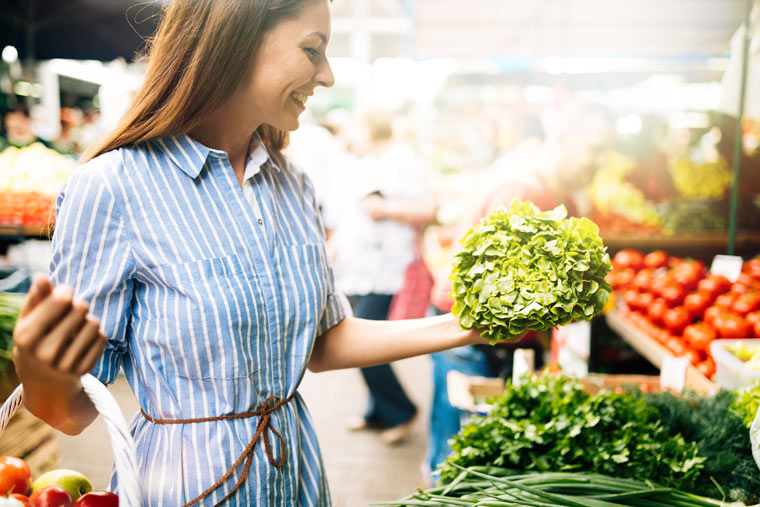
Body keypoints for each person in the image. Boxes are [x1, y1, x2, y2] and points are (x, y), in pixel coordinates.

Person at [11, 1, 487, 505]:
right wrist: (38, 371)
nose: (325, 76)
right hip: (186, 490)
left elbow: (322, 341)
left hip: (297, 478)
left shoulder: (292, 182)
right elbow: (74, 411)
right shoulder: (112, 188)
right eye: (312, 50)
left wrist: (464, 326)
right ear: (234, 40)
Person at [423, 109, 608, 483]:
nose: (599, 162)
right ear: (563, 140)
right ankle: (439, 486)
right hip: (464, 325)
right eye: (594, 149)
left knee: (469, 428)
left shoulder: (563, 198)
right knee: (460, 434)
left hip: (495, 333)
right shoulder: (524, 189)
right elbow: (491, 279)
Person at [330, 110, 436, 444]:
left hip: (387, 268)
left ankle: (401, 410)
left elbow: (428, 209)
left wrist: (384, 210)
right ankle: (377, 411)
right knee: (363, 335)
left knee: (362, 344)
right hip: (359, 268)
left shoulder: (404, 160)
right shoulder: (367, 161)